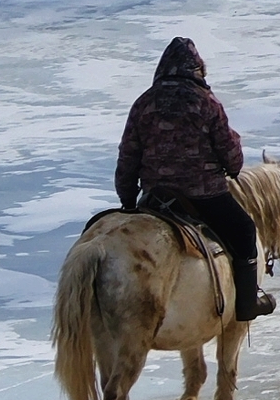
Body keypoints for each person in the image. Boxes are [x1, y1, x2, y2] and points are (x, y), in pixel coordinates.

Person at [114, 36, 272, 319]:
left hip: (157, 198)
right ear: (198, 70)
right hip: (205, 196)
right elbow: (230, 152)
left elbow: (128, 153)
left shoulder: (143, 103)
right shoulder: (206, 102)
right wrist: (233, 168)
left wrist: (128, 199)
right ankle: (248, 304)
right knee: (245, 230)